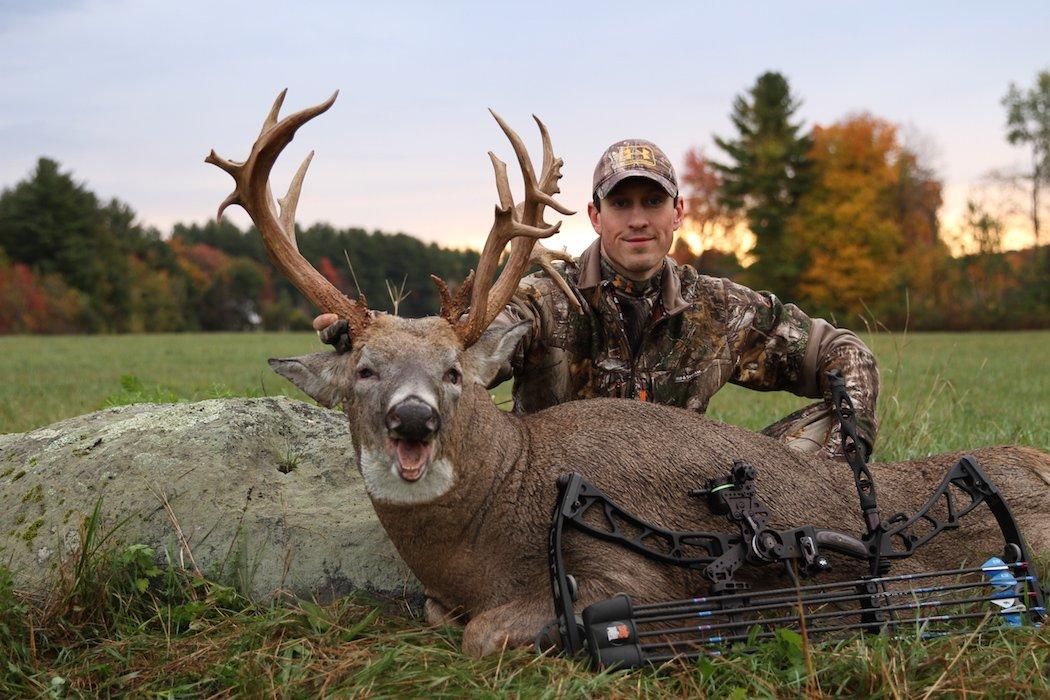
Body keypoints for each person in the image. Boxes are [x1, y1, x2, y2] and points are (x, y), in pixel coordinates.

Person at [316, 139, 879, 459]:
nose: (638, 220)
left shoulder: (721, 310)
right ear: (594, 215)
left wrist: (831, 477)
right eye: (620, 204)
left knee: (830, 423)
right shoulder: (544, 300)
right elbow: (459, 346)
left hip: (684, 499)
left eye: (653, 203)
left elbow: (847, 354)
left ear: (677, 214)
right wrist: (377, 339)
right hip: (558, 504)